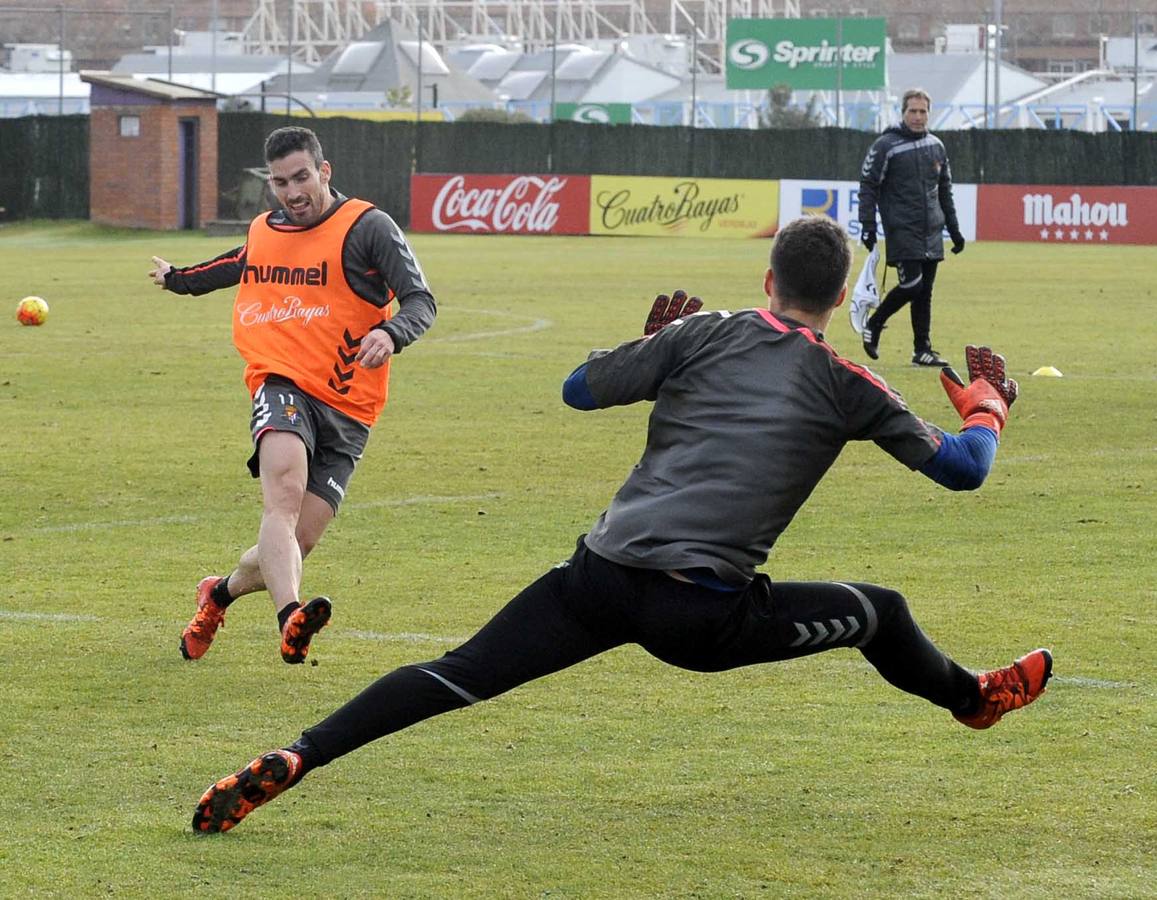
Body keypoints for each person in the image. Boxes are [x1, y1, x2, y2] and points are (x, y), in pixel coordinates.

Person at [191, 216, 1051, 834]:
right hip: (698, 615)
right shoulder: (849, 384)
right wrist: (986, 409)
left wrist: (656, 347)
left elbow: (578, 386)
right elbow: (963, 471)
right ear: (838, 295)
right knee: (881, 614)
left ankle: (300, 755)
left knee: (453, 674)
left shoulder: (703, 334)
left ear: (766, 282)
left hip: (596, 578)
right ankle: (972, 701)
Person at [149, 126, 436, 665]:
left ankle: (218, 595)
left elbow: (421, 301)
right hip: (279, 382)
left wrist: (391, 332)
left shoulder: (368, 227)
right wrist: (177, 278)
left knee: (292, 547)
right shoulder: (266, 230)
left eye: (301, 177)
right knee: (282, 495)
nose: (292, 192)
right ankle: (291, 619)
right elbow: (233, 265)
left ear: (324, 172)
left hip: (349, 407)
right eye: (281, 182)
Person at [858, 88, 965, 367]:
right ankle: (875, 323)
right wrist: (868, 224)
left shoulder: (937, 146)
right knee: (912, 284)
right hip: (902, 228)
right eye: (912, 111)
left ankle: (922, 350)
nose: (918, 117)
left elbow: (945, 191)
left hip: (932, 230)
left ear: (929, 113)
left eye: (923, 111)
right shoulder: (886, 145)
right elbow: (869, 185)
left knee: (924, 291)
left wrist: (953, 229)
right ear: (902, 113)